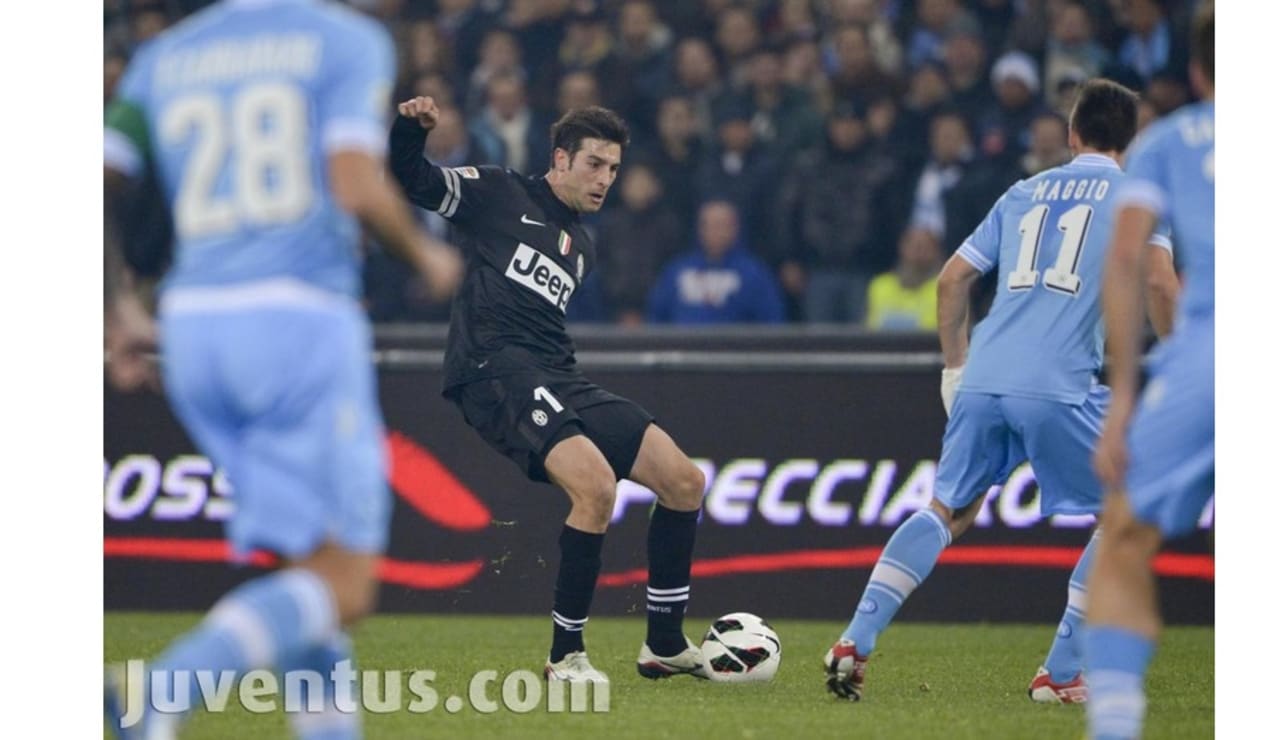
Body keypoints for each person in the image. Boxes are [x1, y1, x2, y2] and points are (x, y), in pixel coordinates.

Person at [102, 1, 461, 738]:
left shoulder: (165, 56)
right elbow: (355, 183)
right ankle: (162, 691)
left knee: (308, 566)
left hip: (192, 325)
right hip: (296, 321)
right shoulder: (343, 39)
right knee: (346, 585)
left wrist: (117, 309)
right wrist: (426, 253)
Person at [822, 78, 1179, 703]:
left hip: (984, 375)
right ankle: (1060, 674)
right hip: (1057, 383)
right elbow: (1158, 283)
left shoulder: (1023, 191)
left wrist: (954, 369)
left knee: (948, 511)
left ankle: (855, 638)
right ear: (1133, 139)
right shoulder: (1138, 196)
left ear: (1072, 134)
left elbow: (952, 280)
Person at [388, 96, 709, 684]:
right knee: (596, 487)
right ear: (560, 159)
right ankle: (566, 655)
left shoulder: (582, 246)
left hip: (556, 373)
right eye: (594, 165)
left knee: (684, 481)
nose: (605, 180)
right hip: (492, 368)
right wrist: (411, 129)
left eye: (613, 169)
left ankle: (664, 643)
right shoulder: (497, 192)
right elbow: (411, 178)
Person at [1085, 7, 1213, 739]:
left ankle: (1115, 726)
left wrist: (1124, 397)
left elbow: (1131, 260)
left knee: (1124, 538)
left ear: (1196, 73)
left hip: (1208, 355)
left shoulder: (1166, 141)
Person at [645, 199, 786, 325]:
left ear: (735, 229)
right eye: (709, 225)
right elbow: (656, 316)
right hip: (681, 345)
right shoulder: (676, 270)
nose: (715, 232)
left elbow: (771, 320)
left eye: (721, 225)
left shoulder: (754, 273)